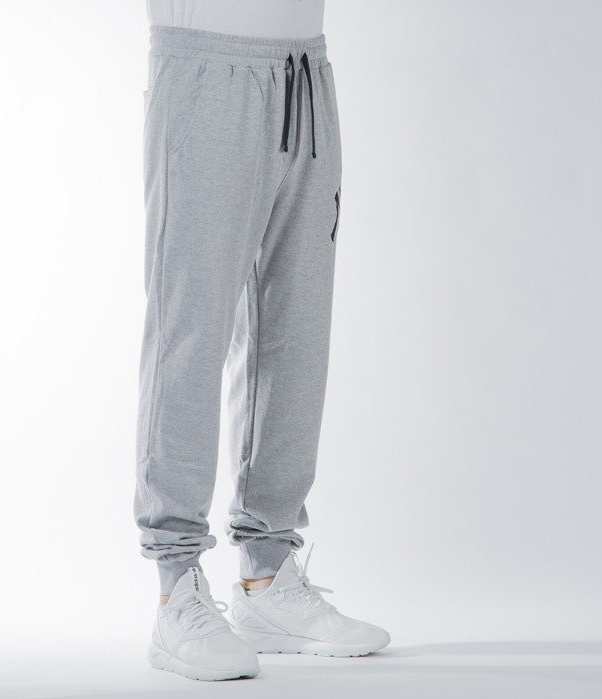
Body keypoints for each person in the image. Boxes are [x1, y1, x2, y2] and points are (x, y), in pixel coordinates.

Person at [136, 0, 390, 681]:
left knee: (295, 333)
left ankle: (267, 577)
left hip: (306, 72)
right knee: (191, 330)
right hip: (205, 68)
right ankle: (175, 589)